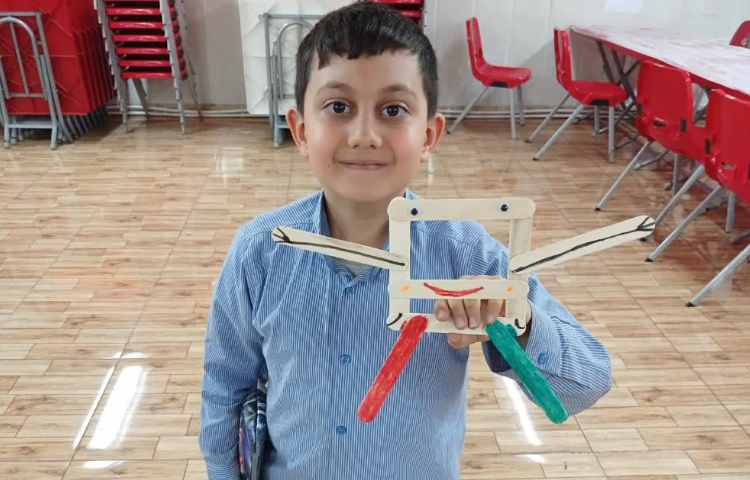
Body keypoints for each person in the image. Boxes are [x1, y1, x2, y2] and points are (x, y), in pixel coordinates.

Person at [200, 3, 612, 479]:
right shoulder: (259, 251)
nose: (365, 135)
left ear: (429, 135)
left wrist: (517, 322)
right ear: (301, 130)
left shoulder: (465, 253)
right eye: (338, 107)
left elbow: (588, 381)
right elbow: (225, 389)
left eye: (393, 110)